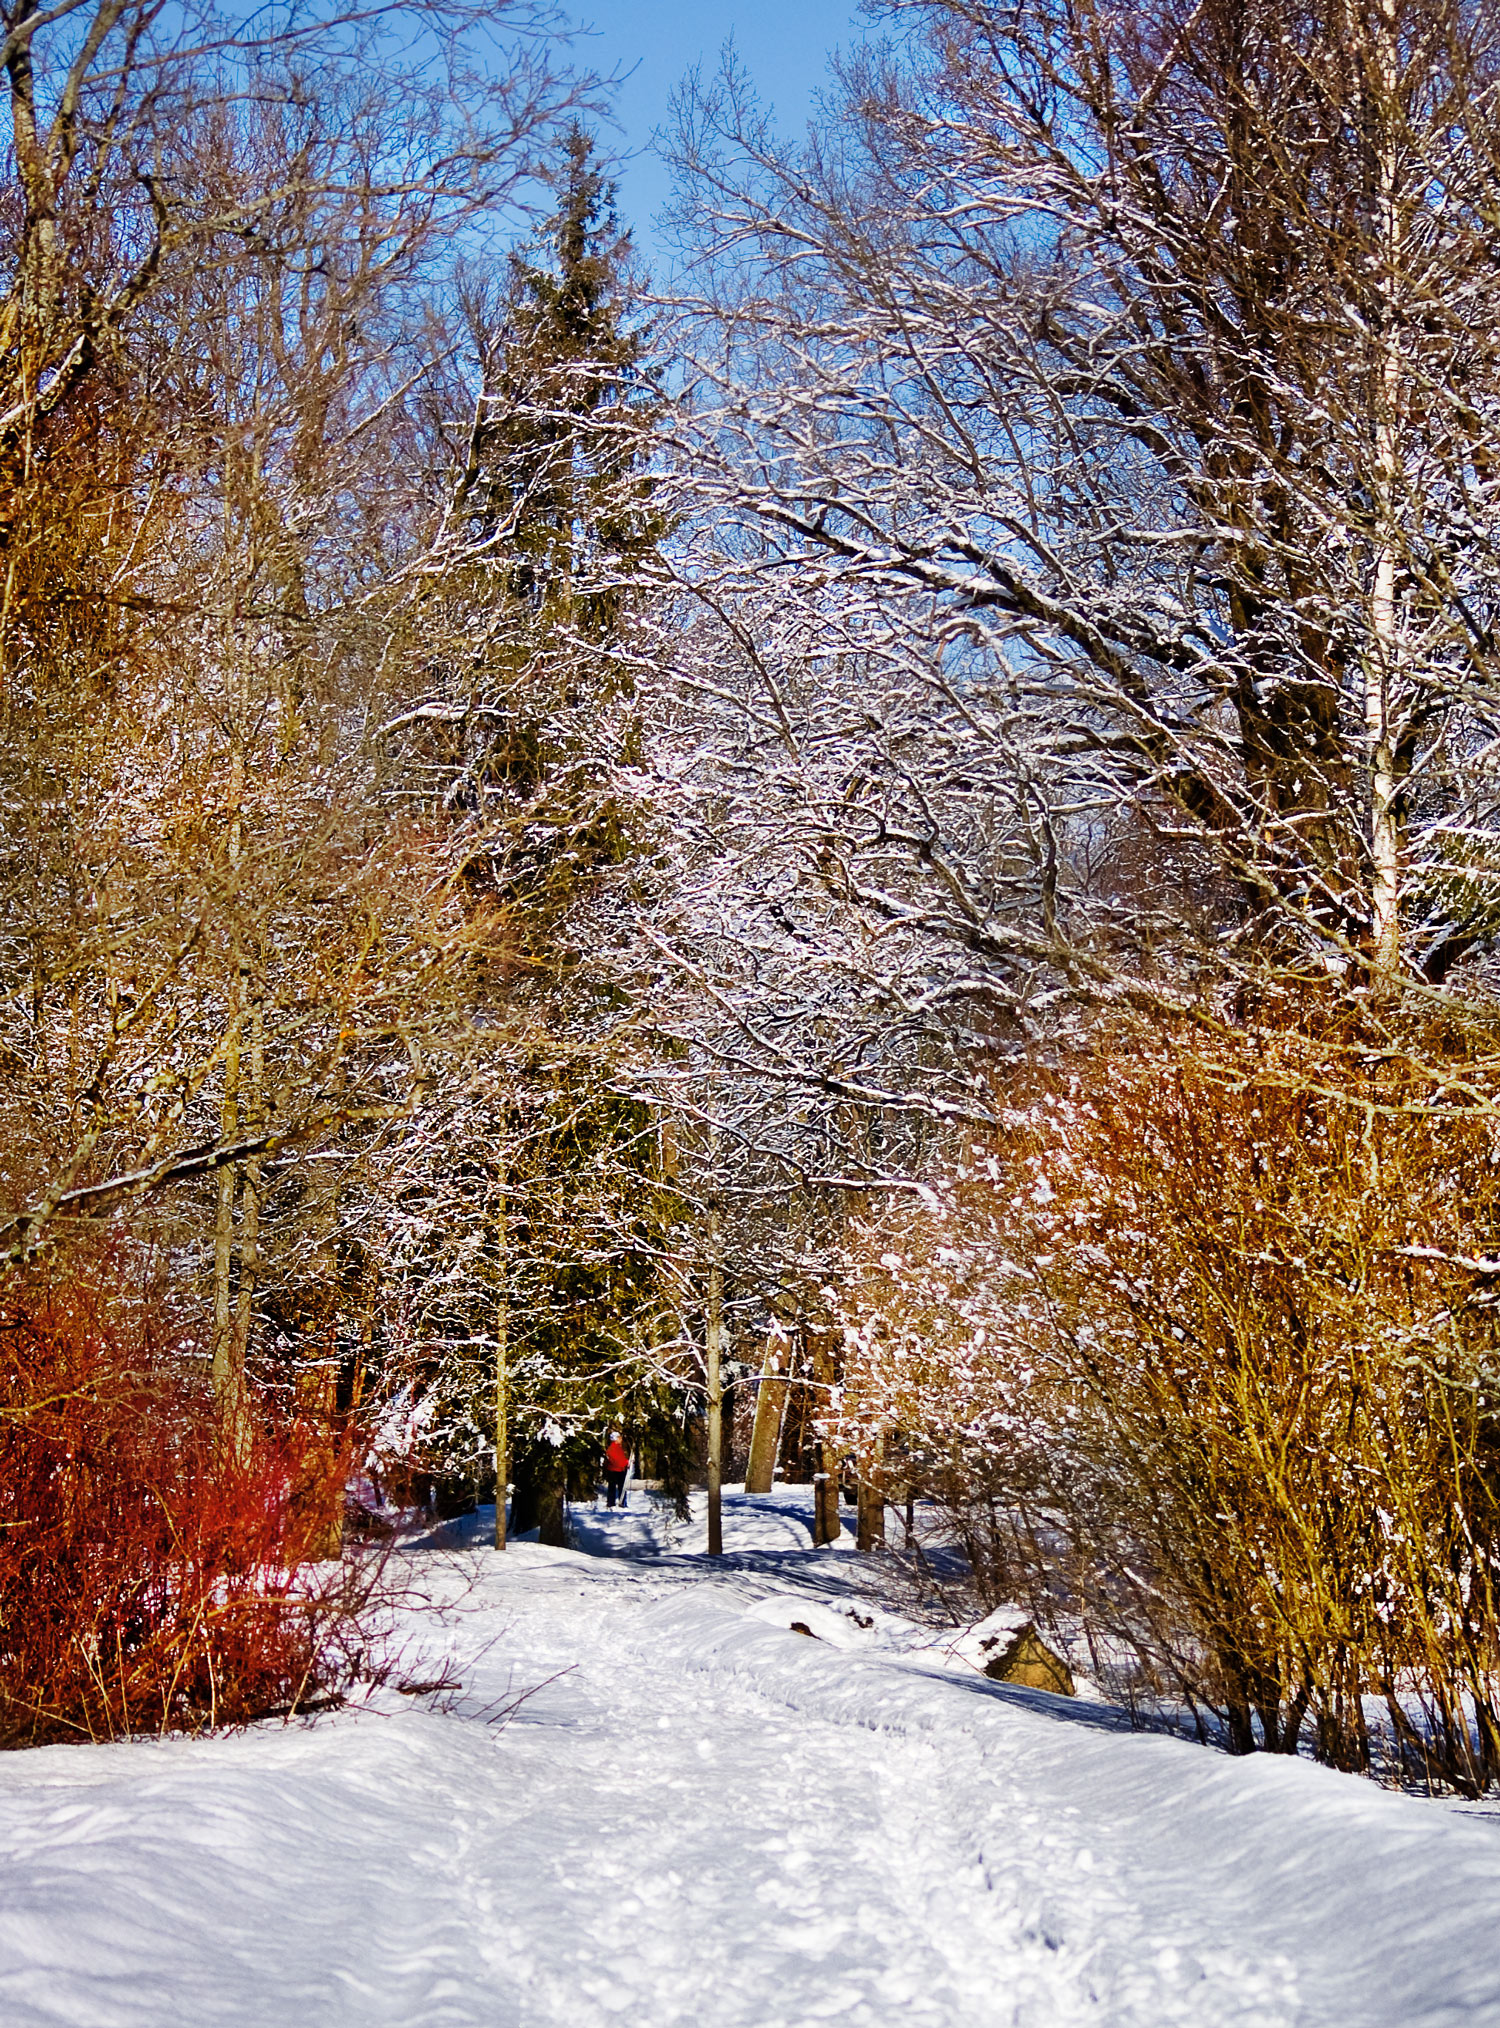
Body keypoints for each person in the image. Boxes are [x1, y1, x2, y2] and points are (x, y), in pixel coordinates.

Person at [602, 1430, 630, 1508]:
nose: (621, 1439)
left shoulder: (617, 1447)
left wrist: (626, 1462)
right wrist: (626, 1462)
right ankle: (614, 1503)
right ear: (615, 1438)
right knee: (616, 1487)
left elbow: (620, 1459)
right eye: (619, 1438)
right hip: (615, 1470)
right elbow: (617, 1460)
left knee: (615, 1487)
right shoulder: (613, 1448)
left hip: (617, 1469)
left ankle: (616, 1503)